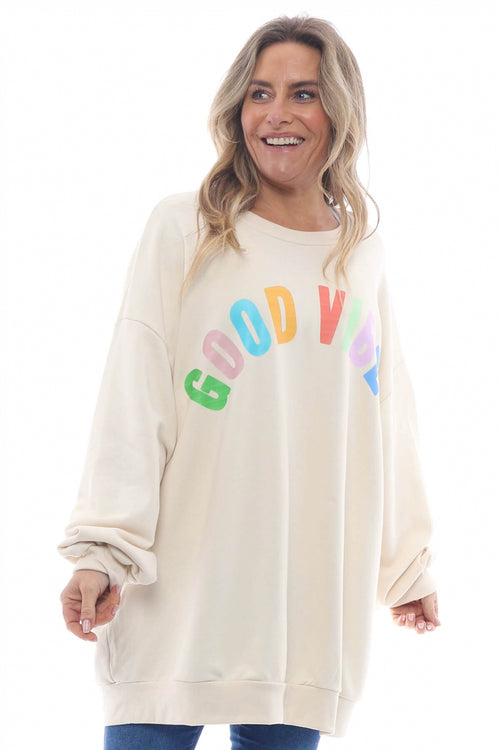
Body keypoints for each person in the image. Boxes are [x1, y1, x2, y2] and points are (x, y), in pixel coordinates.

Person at [59, 15, 440, 750]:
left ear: (339, 109)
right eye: (260, 93)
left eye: (304, 93)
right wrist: (103, 549)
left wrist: (407, 565)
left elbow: (389, 418)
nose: (277, 114)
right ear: (238, 108)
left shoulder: (359, 254)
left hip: (304, 610)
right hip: (180, 596)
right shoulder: (187, 229)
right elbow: (133, 397)